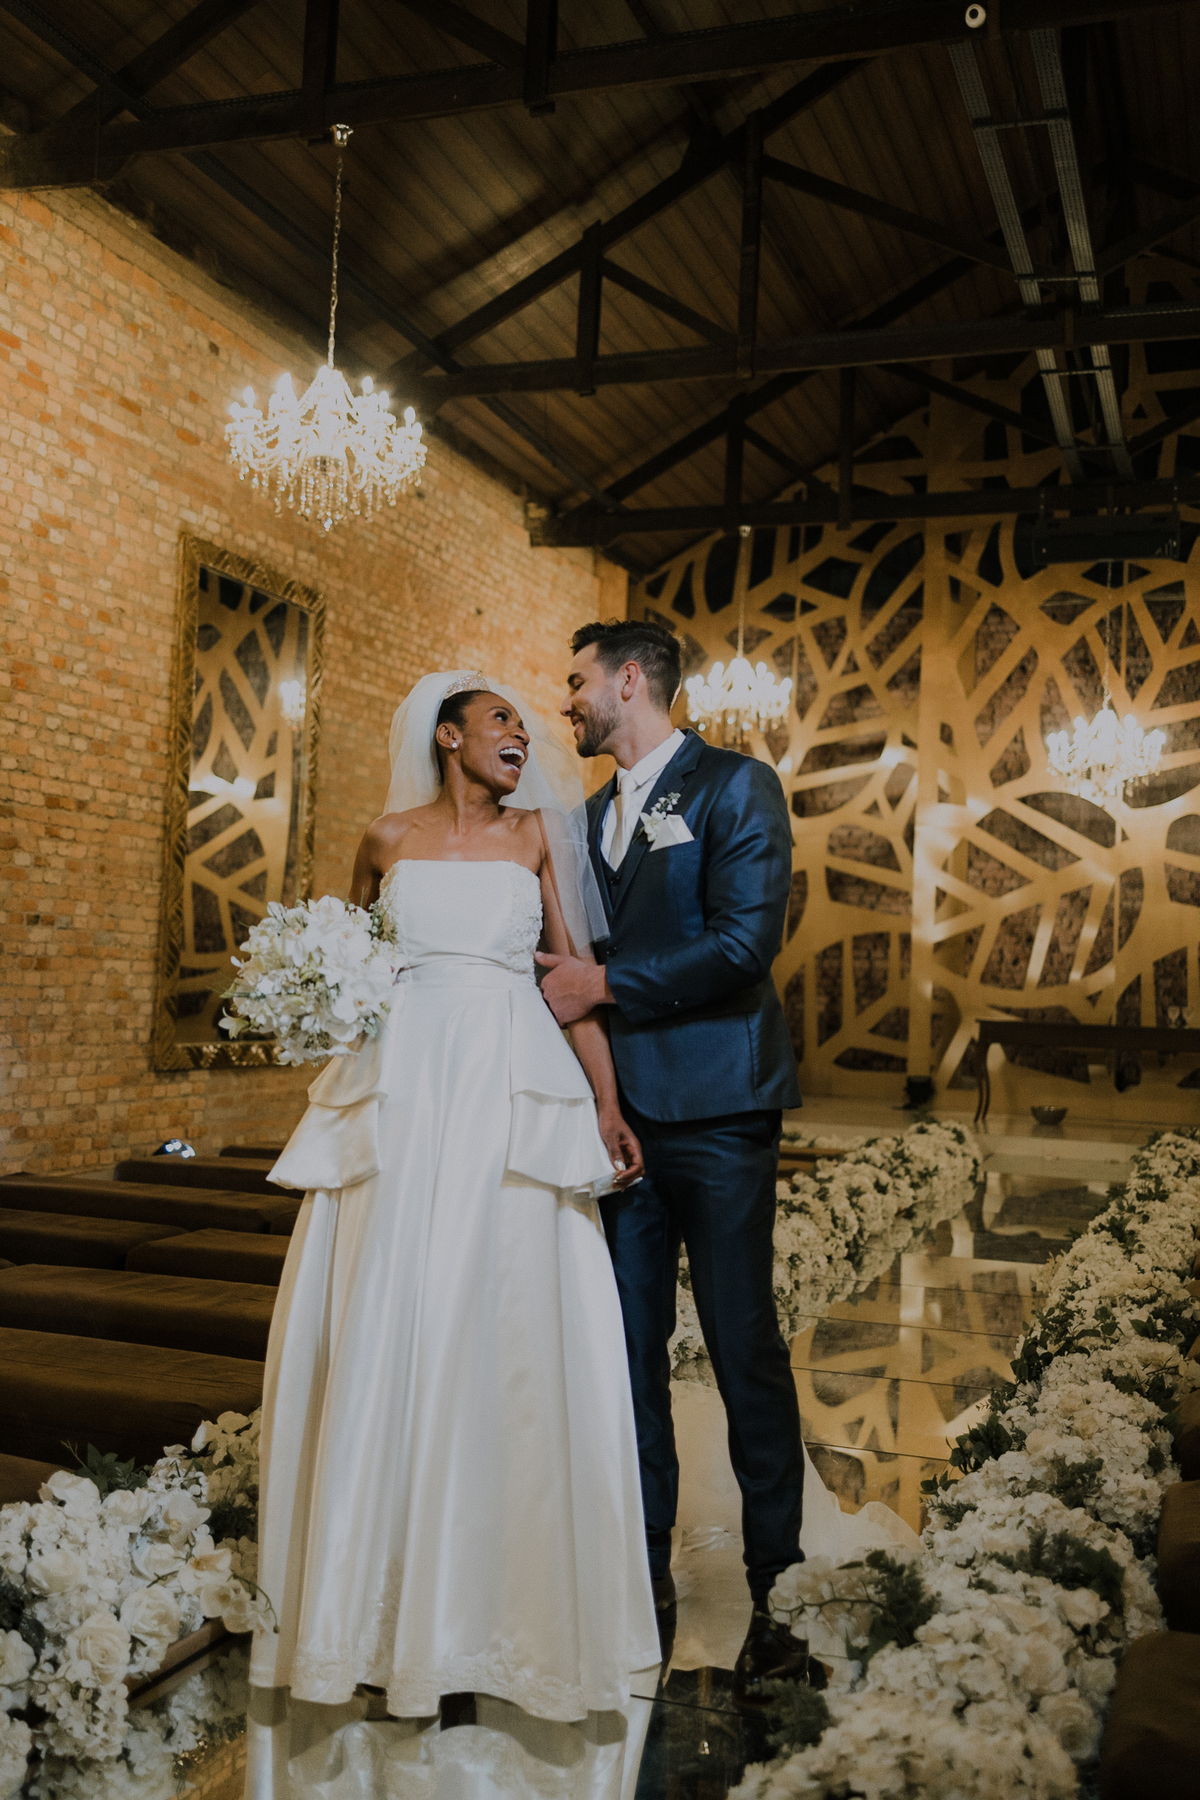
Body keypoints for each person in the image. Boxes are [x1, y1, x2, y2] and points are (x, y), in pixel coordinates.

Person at [247, 670, 660, 1762]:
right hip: (405, 1088)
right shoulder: (385, 839)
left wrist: (607, 1105)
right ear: (447, 736)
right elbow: (350, 970)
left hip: (506, 1087)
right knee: (387, 1317)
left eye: (525, 723)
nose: (523, 736)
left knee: (504, 1330)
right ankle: (364, 1619)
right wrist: (311, 998)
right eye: (500, 722)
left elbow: (570, 983)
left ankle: (497, 1610)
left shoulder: (538, 839)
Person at [536, 618, 812, 1708]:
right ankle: (640, 1575)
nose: (566, 701)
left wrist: (605, 987)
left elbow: (745, 945)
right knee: (628, 1356)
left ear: (629, 681)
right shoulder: (582, 819)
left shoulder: (736, 788)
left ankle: (779, 1587)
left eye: (577, 682)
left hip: (722, 1111)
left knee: (743, 1346)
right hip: (618, 1125)